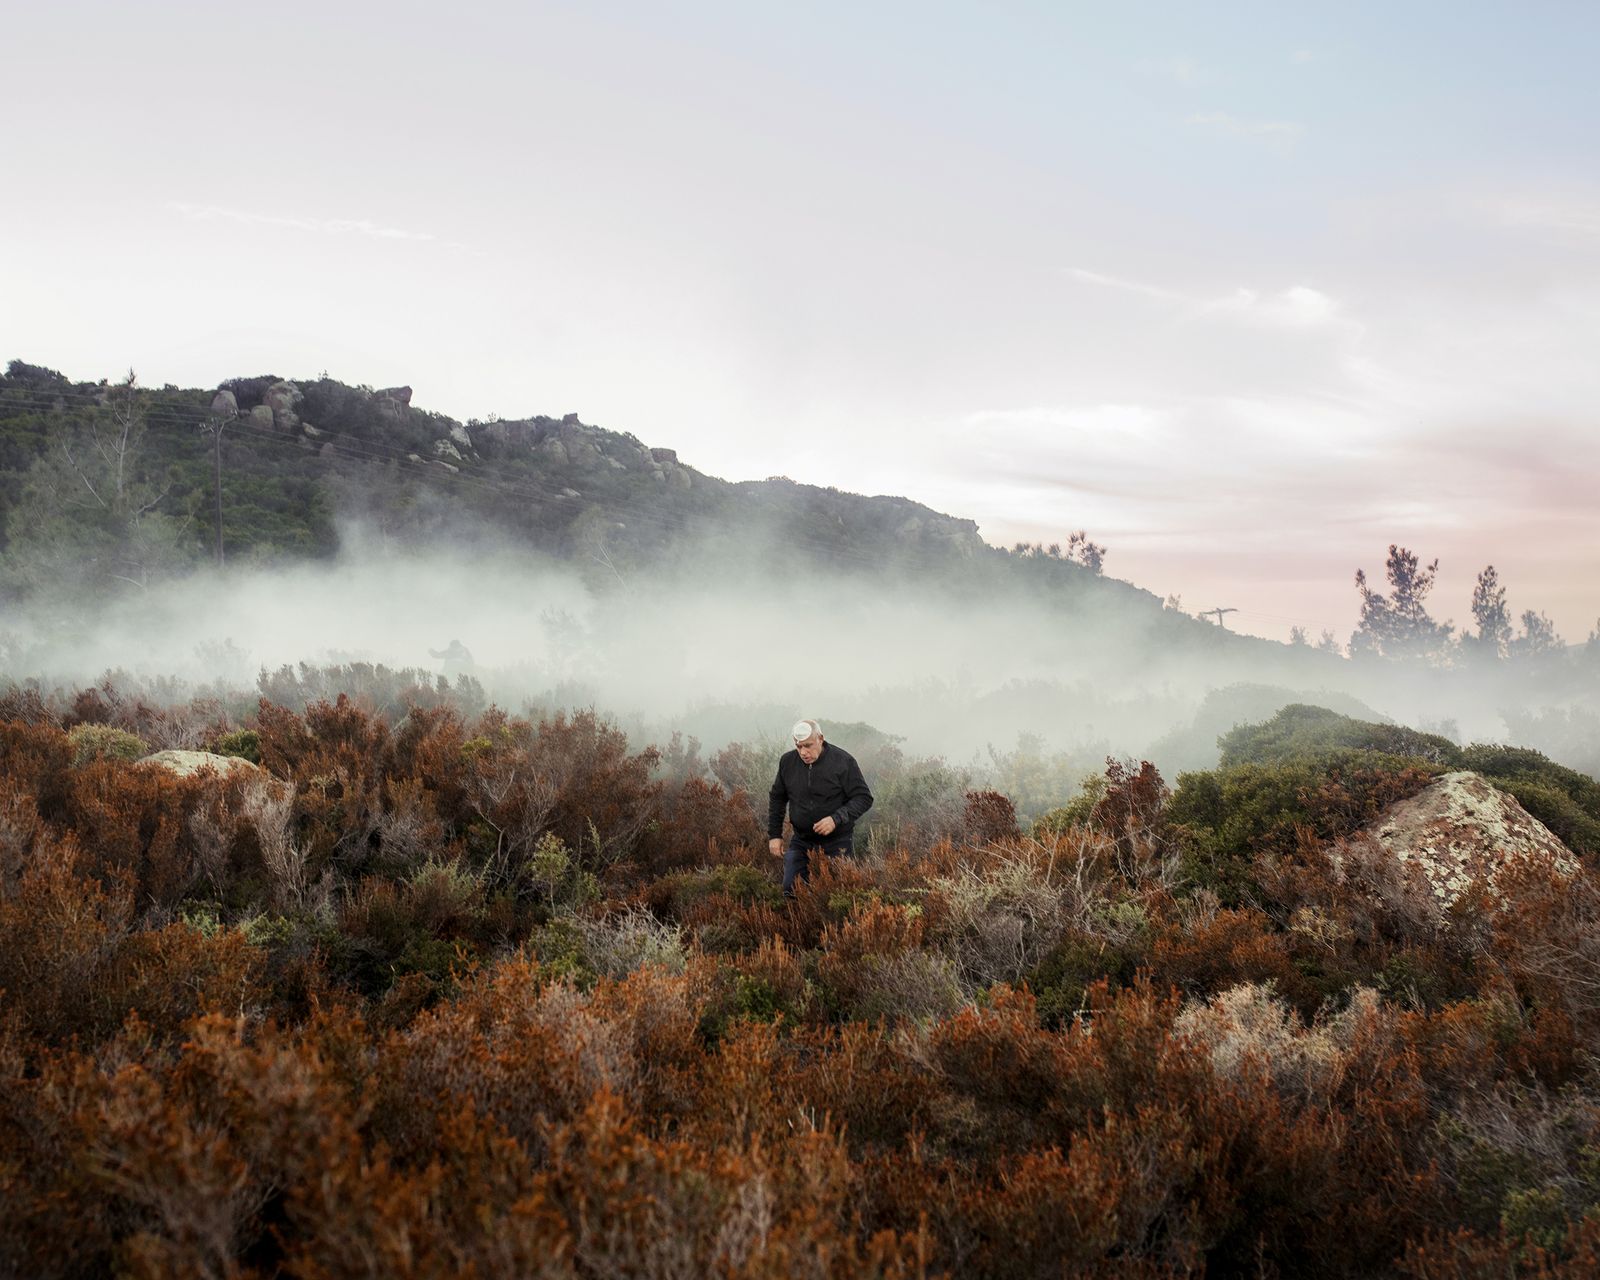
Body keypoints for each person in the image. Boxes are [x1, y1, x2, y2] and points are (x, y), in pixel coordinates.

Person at [768, 718, 873, 898]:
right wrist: (775, 835)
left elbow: (863, 798)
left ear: (821, 738)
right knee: (790, 891)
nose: (803, 752)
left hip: (837, 840)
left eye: (808, 745)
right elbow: (778, 798)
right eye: (799, 746)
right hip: (801, 840)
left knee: (839, 895)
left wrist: (835, 819)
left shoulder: (843, 761)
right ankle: (799, 925)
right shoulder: (787, 762)